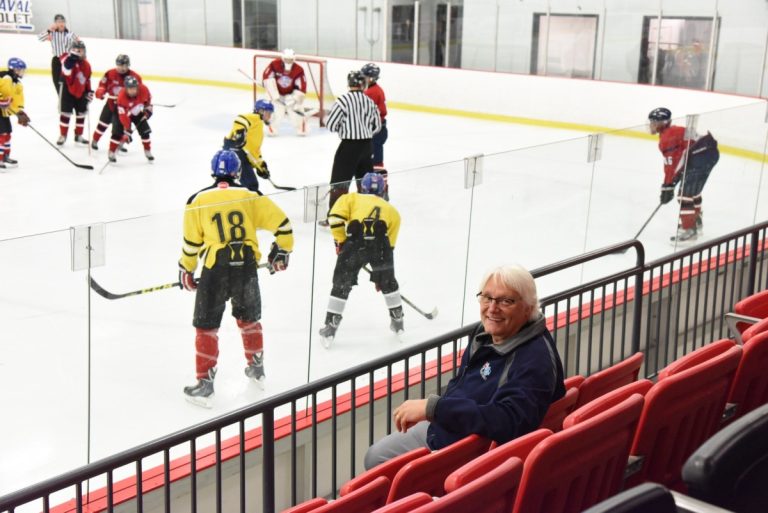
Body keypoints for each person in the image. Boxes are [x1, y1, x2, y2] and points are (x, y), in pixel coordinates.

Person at [364, 264, 566, 469]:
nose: (492, 308)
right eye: (487, 297)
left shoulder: (533, 359)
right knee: (376, 456)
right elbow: (462, 384)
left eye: (506, 301)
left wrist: (434, 408)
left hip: (461, 449)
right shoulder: (485, 334)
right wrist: (438, 410)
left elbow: (508, 421)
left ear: (528, 307)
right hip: (452, 424)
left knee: (376, 458)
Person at [178, 149, 294, 407]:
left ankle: (205, 385)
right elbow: (284, 225)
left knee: (206, 326)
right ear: (238, 172)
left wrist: (186, 269)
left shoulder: (197, 200)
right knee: (249, 319)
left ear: (213, 172)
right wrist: (282, 251)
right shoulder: (251, 196)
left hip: (215, 268)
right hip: (246, 267)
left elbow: (191, 244)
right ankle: (257, 368)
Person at [318, 172, 402, 348]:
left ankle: (332, 323)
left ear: (362, 187)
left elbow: (334, 218)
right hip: (381, 245)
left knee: (342, 282)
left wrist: (341, 241)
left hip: (355, 243)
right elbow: (391, 245)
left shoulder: (351, 198)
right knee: (388, 282)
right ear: (382, 190)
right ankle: (397, 318)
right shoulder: (392, 211)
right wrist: (382, 273)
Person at [649, 107, 720, 243]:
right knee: (693, 191)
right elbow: (681, 156)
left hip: (701, 157)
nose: (651, 125)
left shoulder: (667, 138)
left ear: (661, 123)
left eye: (653, 122)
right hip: (708, 154)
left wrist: (668, 185)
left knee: (684, 194)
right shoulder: (672, 132)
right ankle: (696, 222)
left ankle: (689, 230)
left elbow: (672, 165)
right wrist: (672, 182)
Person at [320, 70, 381, 227]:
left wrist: (344, 129)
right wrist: (365, 132)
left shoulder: (343, 101)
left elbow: (331, 125)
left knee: (339, 183)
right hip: (367, 146)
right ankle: (366, 215)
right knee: (365, 182)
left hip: (348, 147)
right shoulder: (369, 101)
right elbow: (377, 126)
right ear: (363, 84)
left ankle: (335, 217)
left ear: (349, 84)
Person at [91, 54, 142, 151]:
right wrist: (100, 91)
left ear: (128, 65)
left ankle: (118, 144)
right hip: (111, 104)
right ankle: (95, 140)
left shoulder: (135, 77)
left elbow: (139, 92)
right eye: (119, 65)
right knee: (103, 123)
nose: (122, 68)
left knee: (120, 127)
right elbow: (103, 84)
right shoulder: (110, 73)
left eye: (124, 65)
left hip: (124, 108)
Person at [222, 99, 274, 192]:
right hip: (234, 150)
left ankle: (238, 195)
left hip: (239, 153)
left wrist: (260, 166)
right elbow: (240, 119)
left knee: (246, 183)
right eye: (268, 112)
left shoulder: (259, 126)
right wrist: (240, 133)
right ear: (260, 111)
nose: (269, 116)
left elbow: (254, 151)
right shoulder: (255, 117)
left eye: (271, 113)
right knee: (250, 185)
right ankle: (249, 198)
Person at [262, 49, 308, 135]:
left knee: (296, 110)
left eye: (290, 60)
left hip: (291, 94)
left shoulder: (299, 69)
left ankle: (302, 128)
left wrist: (294, 98)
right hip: (277, 94)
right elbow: (266, 77)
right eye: (286, 59)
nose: (288, 62)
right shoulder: (274, 64)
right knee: (276, 111)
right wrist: (273, 94)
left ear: (294, 59)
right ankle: (271, 129)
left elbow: (302, 86)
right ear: (282, 58)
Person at [361, 63, 389, 198]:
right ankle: (380, 188)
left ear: (372, 78)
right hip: (378, 130)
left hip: (376, 131)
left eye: (365, 76)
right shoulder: (375, 90)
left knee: (377, 163)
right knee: (374, 161)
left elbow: (368, 112)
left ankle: (383, 189)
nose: (363, 79)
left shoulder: (371, 92)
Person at [57, 40, 92, 146]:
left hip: (81, 91)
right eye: (75, 50)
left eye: (80, 50)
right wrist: (72, 58)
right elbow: (66, 69)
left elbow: (87, 79)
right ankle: (63, 135)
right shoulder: (65, 58)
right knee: (65, 113)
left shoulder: (86, 64)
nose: (78, 52)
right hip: (67, 89)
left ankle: (78, 135)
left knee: (81, 113)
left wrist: (89, 91)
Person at [111, 75, 153, 162]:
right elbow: (123, 116)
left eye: (134, 88)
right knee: (117, 132)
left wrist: (148, 111)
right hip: (123, 113)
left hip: (136, 111)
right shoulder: (121, 97)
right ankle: (112, 152)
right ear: (126, 88)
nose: (132, 90)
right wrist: (127, 129)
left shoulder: (144, 89)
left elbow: (148, 101)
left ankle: (147, 150)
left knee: (145, 131)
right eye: (130, 88)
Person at [0, 58, 30, 169]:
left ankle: (5, 156)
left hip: (3, 112)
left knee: (7, 133)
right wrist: (1, 100)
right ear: (13, 69)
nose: (22, 72)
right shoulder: (4, 77)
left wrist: (20, 113)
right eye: (20, 70)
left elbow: (17, 101)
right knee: (2, 134)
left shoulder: (18, 84)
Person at [38, 14, 78, 92]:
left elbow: (79, 44)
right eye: (59, 22)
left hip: (68, 61)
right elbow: (40, 38)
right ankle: (61, 98)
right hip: (57, 60)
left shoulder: (70, 34)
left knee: (69, 83)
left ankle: (68, 98)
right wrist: (49, 29)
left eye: (63, 21)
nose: (61, 24)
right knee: (57, 82)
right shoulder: (52, 33)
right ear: (55, 23)